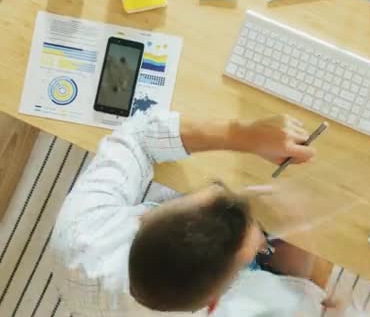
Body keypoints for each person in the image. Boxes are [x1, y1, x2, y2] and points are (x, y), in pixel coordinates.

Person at [50, 111, 345, 316]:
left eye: (215, 188)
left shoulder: (83, 231)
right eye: (256, 246)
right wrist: (302, 232)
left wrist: (244, 134)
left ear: (143, 217)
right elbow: (313, 296)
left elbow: (138, 136)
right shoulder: (256, 307)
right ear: (216, 303)